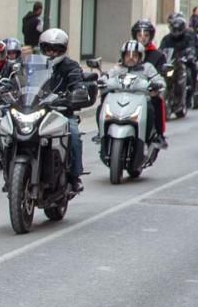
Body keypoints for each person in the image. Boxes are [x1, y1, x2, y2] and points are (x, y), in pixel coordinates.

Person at [38, 28, 89, 193]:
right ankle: (8, 170)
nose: (52, 53)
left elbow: (77, 82)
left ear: (63, 50)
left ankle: (75, 177)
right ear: (42, 48)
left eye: (56, 49)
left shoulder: (71, 66)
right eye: (48, 48)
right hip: (37, 112)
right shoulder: (34, 64)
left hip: (62, 112)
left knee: (73, 134)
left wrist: (77, 92)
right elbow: (21, 80)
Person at [94, 41, 167, 147]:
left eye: (135, 55)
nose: (131, 58)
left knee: (153, 107)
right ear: (123, 56)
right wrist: (101, 81)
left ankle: (155, 136)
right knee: (101, 107)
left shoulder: (147, 67)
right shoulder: (117, 68)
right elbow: (107, 76)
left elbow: (158, 79)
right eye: (128, 55)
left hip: (141, 101)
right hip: (119, 100)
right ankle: (101, 133)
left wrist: (157, 84)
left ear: (140, 57)